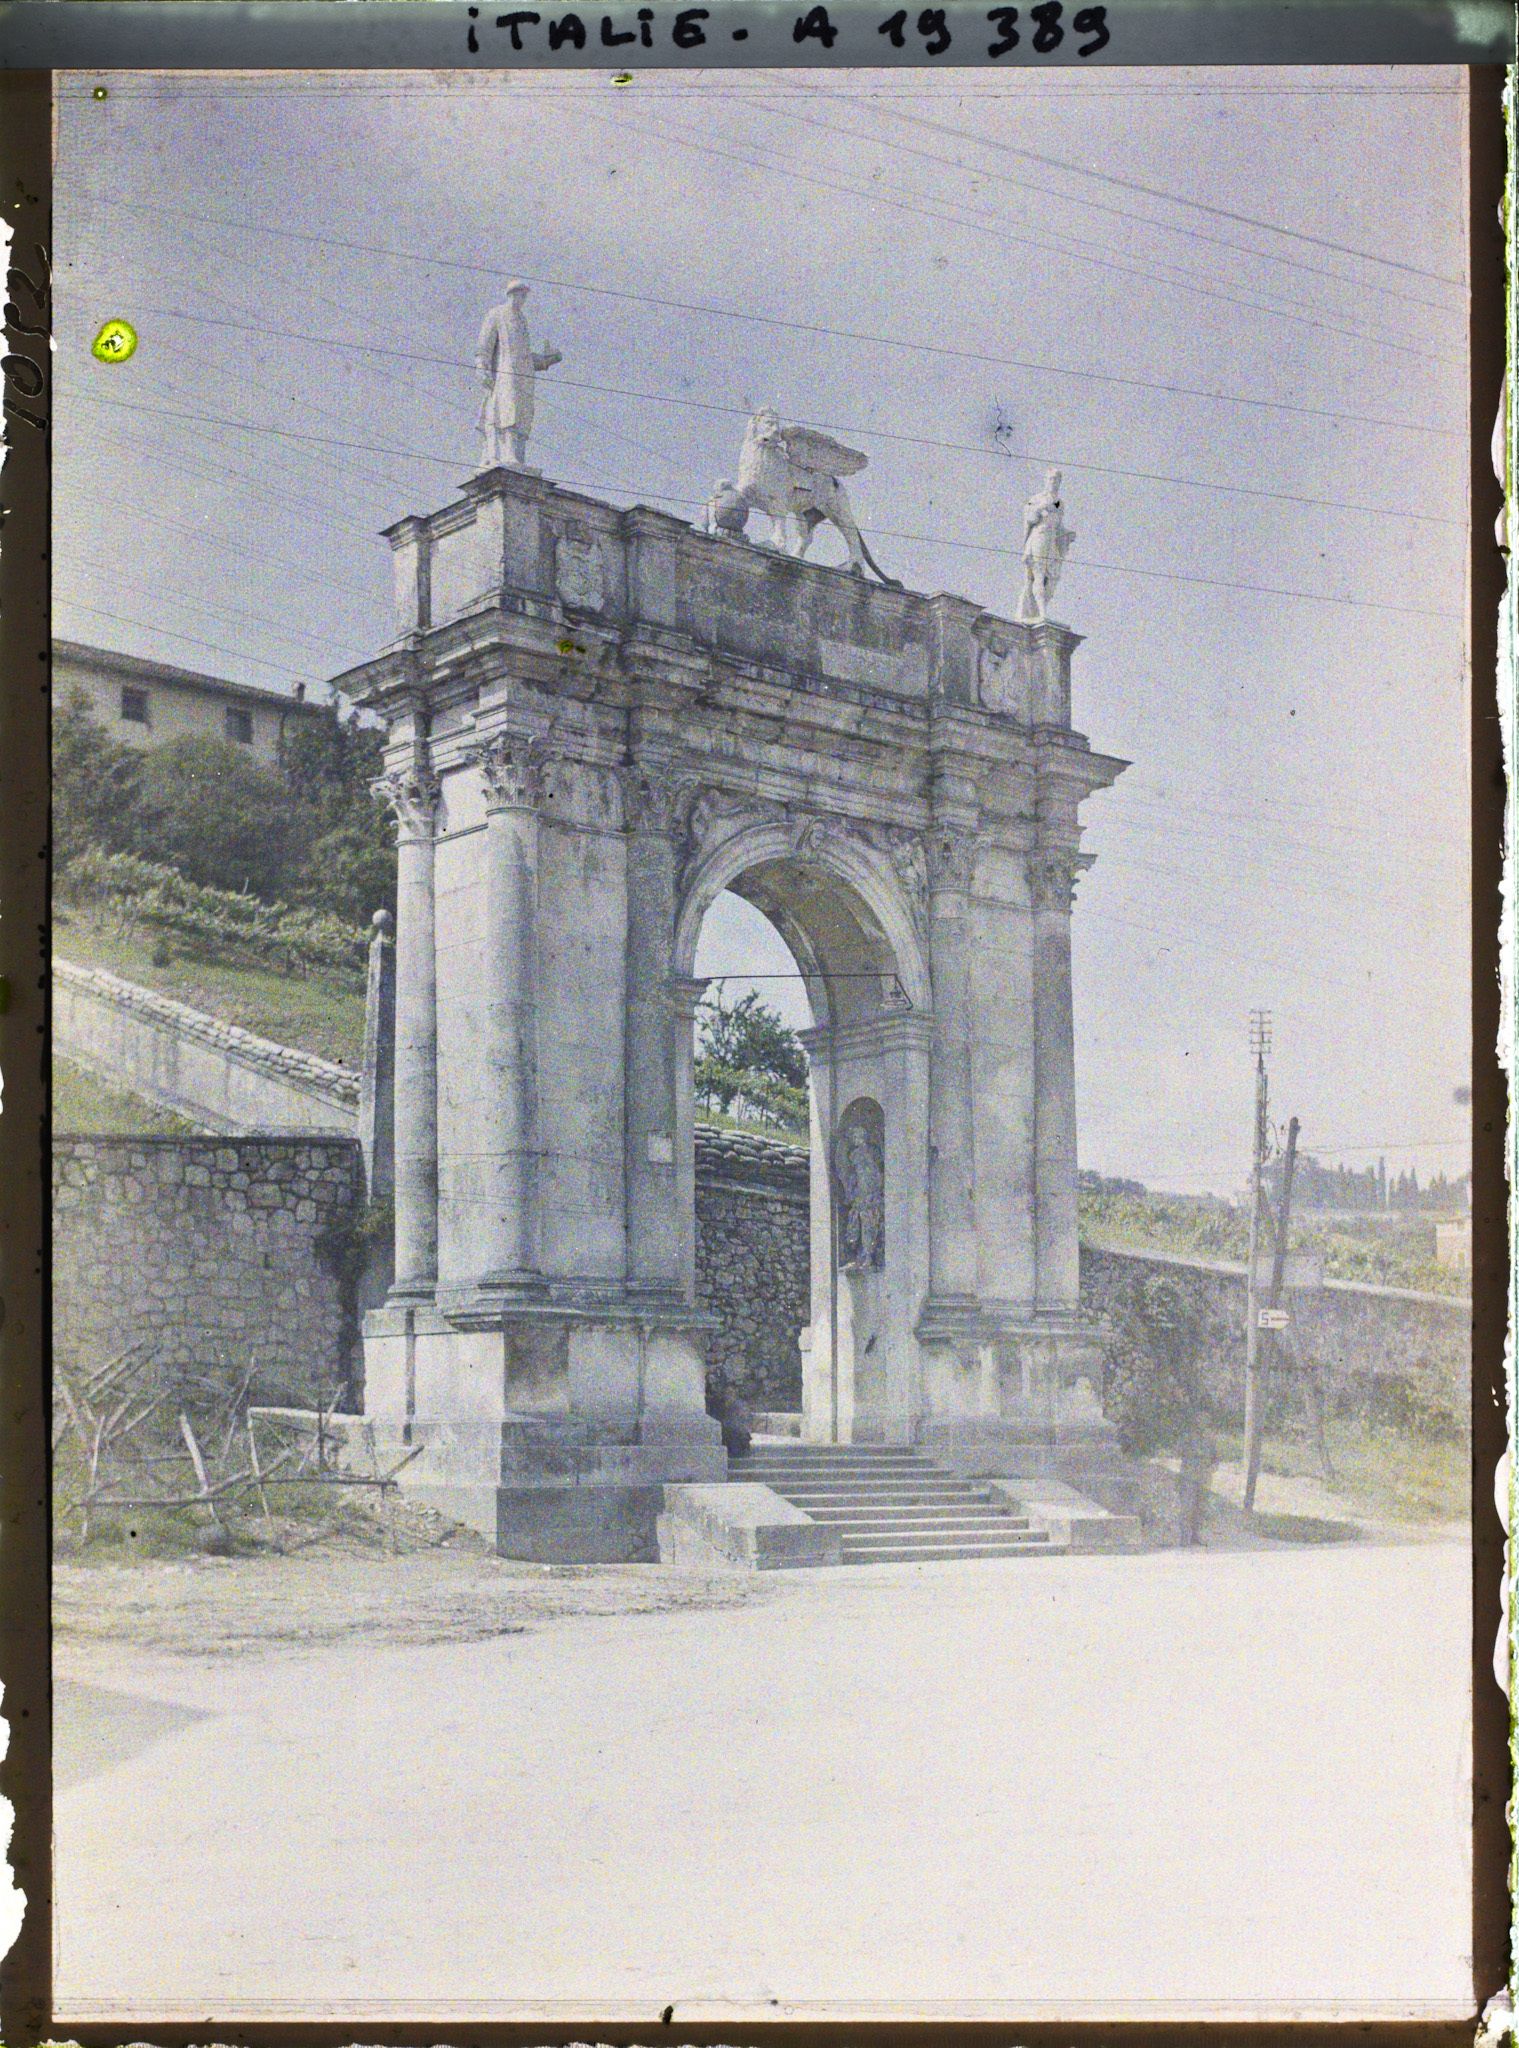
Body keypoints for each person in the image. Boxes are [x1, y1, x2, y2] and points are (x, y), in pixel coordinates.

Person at [474, 282, 562, 470]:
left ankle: (517, 458)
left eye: (524, 296)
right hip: (505, 374)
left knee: (523, 414)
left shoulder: (521, 320)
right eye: (520, 295)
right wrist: (482, 368)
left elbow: (525, 356)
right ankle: (507, 455)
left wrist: (548, 360)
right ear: (511, 294)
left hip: (524, 377)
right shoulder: (497, 314)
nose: (522, 299)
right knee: (507, 410)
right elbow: (484, 347)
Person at [1177, 1393, 1219, 1547]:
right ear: (1195, 1419)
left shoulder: (1211, 1437)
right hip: (1189, 1475)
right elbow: (1179, 1452)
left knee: (1201, 1507)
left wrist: (1212, 1469)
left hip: (1204, 1477)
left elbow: (1216, 1458)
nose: (1203, 1421)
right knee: (1187, 1507)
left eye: (1206, 1418)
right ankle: (1184, 1537)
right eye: (1200, 1418)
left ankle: (1196, 1535)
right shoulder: (1188, 1436)